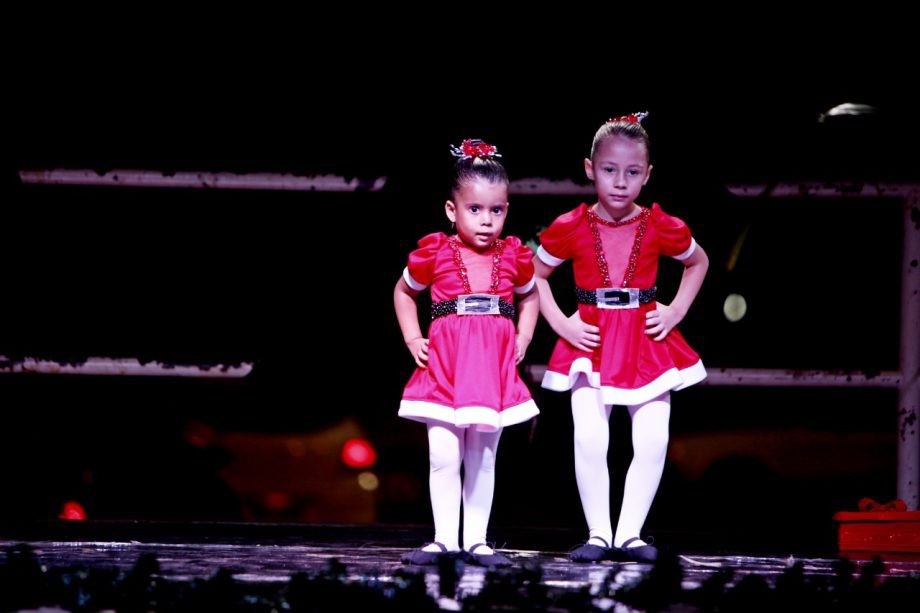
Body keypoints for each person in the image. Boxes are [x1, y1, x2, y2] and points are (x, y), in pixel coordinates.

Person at [534, 112, 708, 562]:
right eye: (610, 170)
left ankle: (630, 533)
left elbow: (698, 261)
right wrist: (561, 323)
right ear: (591, 168)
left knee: (652, 438)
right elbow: (532, 276)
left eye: (632, 172)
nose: (620, 182)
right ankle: (598, 533)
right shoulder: (569, 225)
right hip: (589, 338)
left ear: (647, 175)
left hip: (646, 337)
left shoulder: (659, 224)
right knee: (590, 439)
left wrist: (676, 310)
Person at [394, 138, 539, 567]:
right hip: (445, 365)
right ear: (451, 210)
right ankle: (444, 540)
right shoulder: (435, 252)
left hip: (490, 369)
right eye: (475, 210)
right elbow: (403, 292)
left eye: (496, 210)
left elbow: (530, 297)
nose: (486, 220)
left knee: (483, 455)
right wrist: (412, 337)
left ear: (506, 210)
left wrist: (524, 337)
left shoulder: (513, 254)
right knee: (444, 454)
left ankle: (476, 540)